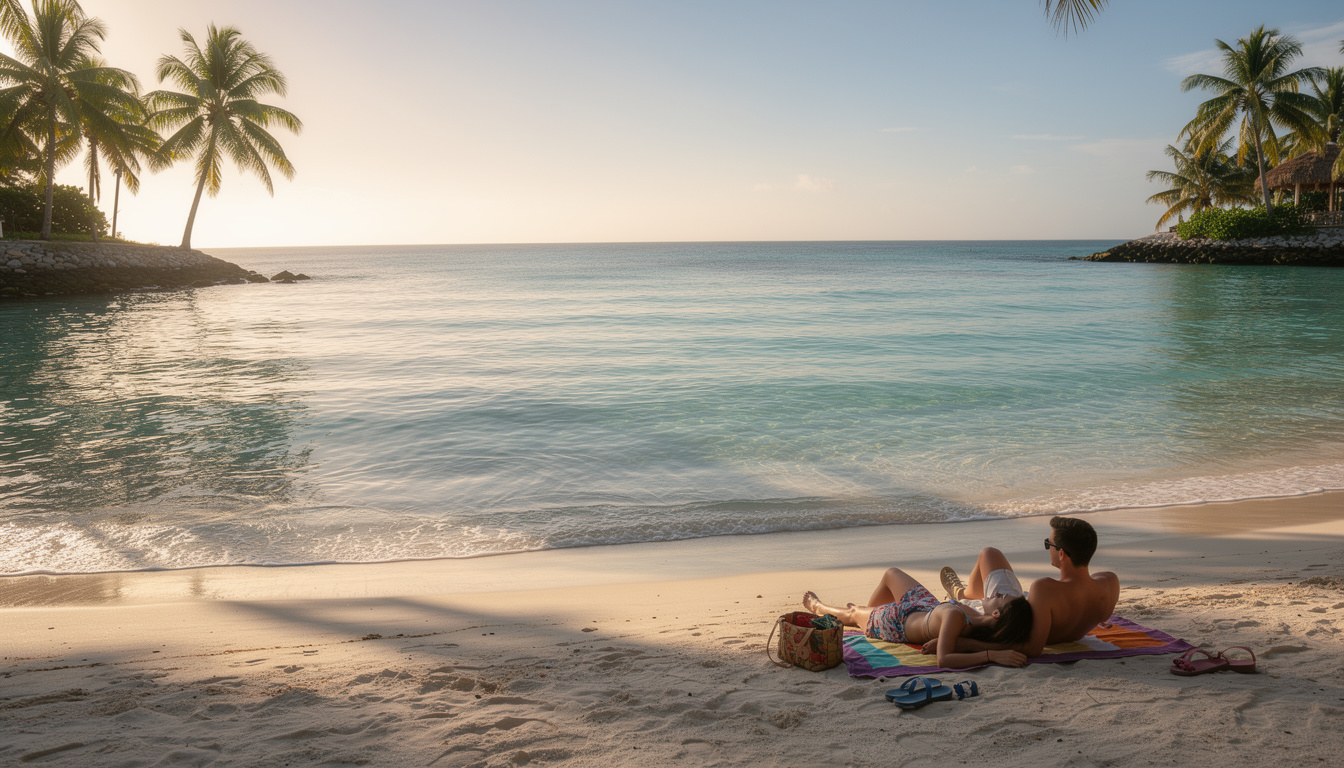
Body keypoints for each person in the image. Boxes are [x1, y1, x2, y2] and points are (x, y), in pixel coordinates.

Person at [939, 515, 1120, 657]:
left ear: (1062, 554)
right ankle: (963, 593)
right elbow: (1081, 590)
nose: (1048, 548)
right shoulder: (1109, 583)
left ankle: (962, 594)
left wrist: (966, 644)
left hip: (1012, 616)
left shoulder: (1045, 589)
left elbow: (1033, 649)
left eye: (1049, 544)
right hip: (1063, 625)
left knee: (988, 553)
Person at [802, 566, 1032, 669]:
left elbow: (944, 659)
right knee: (891, 573)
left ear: (996, 613)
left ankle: (821, 608)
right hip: (925, 605)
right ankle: (867, 613)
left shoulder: (957, 618)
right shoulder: (981, 623)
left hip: (898, 621)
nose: (995, 594)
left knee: (852, 615)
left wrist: (990, 656)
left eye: (1000, 597)